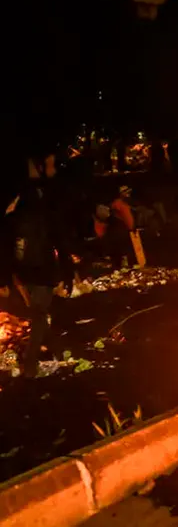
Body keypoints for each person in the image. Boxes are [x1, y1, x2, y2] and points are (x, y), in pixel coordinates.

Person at [2, 154, 75, 378]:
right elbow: (61, 243)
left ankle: (60, 351)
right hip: (43, 271)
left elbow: (5, 245)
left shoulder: (15, 212)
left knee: (38, 313)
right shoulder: (47, 209)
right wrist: (68, 273)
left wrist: (5, 277)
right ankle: (30, 366)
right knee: (40, 315)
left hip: (24, 271)